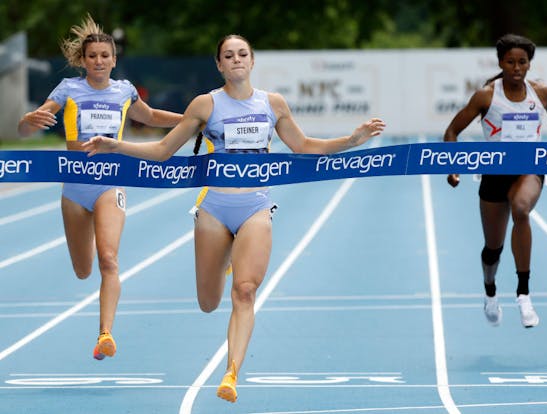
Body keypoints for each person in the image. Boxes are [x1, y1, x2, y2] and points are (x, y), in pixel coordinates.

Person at [83, 34, 385, 402]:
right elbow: (163, 150)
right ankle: (226, 255)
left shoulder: (272, 104)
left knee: (244, 291)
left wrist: (352, 139)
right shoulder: (206, 105)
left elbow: (304, 146)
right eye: (229, 55)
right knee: (208, 302)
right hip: (214, 210)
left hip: (256, 206)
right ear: (220, 65)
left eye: (243, 53)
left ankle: (231, 374)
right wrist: (116, 145)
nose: (237, 59)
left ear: (252, 61)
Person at [17, 14, 182, 360]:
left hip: (111, 183)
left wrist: (192, 120)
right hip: (76, 187)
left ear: (114, 59)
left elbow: (149, 117)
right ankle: (89, 233)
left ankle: (105, 334)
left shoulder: (124, 91)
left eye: (105, 56)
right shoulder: (67, 90)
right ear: (83, 60)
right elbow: (26, 130)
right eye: (92, 56)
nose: (99, 61)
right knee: (83, 269)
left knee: (109, 260)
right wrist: (27, 122)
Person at [442, 33, 547, 329]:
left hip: (529, 168)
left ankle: (524, 294)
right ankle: (490, 290)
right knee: (493, 249)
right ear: (501, 63)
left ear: (529, 64)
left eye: (523, 62)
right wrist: (452, 166)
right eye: (511, 62)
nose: (517, 68)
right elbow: (452, 131)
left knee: (521, 209)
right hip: (494, 173)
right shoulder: (487, 96)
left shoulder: (540, 92)